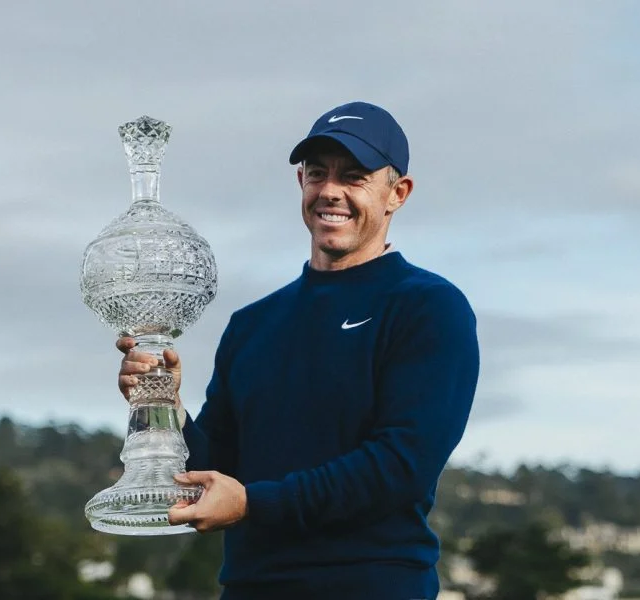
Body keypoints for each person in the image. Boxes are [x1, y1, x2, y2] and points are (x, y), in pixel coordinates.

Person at [114, 100, 481, 599]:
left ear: (398, 193)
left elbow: (399, 468)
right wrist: (167, 410)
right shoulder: (252, 325)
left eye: (354, 177)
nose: (331, 191)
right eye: (317, 173)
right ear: (300, 182)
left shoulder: (429, 308)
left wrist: (252, 505)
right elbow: (213, 471)